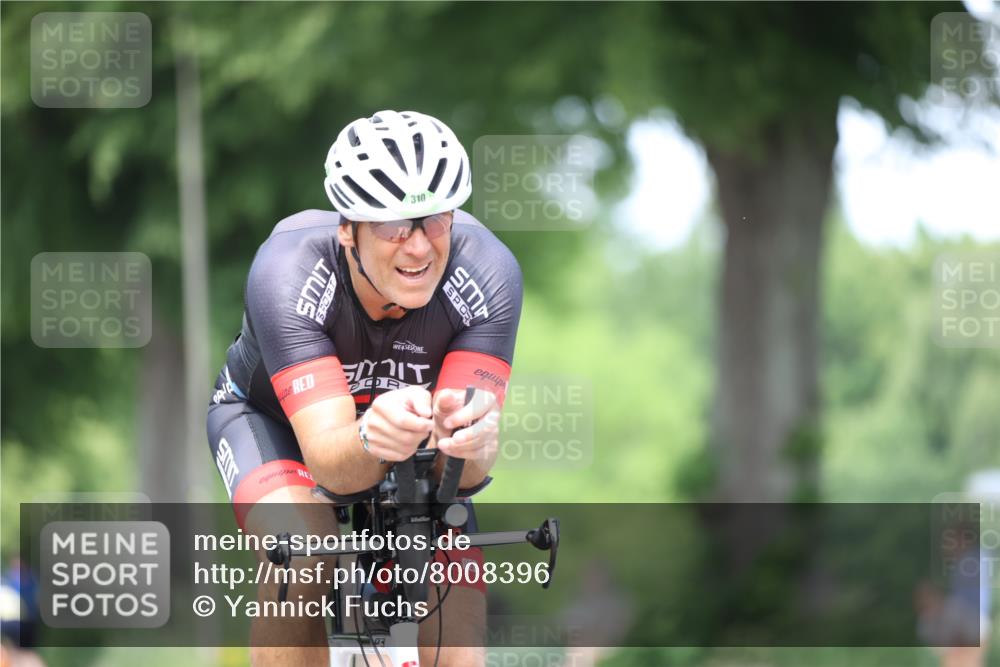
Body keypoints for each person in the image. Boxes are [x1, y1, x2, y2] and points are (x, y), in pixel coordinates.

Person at [206, 110, 523, 667]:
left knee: (459, 628)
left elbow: (466, 477)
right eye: (393, 227)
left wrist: (472, 444)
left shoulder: (490, 273)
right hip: (273, 423)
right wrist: (371, 439)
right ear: (347, 229)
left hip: (415, 438)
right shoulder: (287, 269)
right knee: (303, 547)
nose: (420, 248)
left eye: (436, 220)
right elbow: (331, 463)